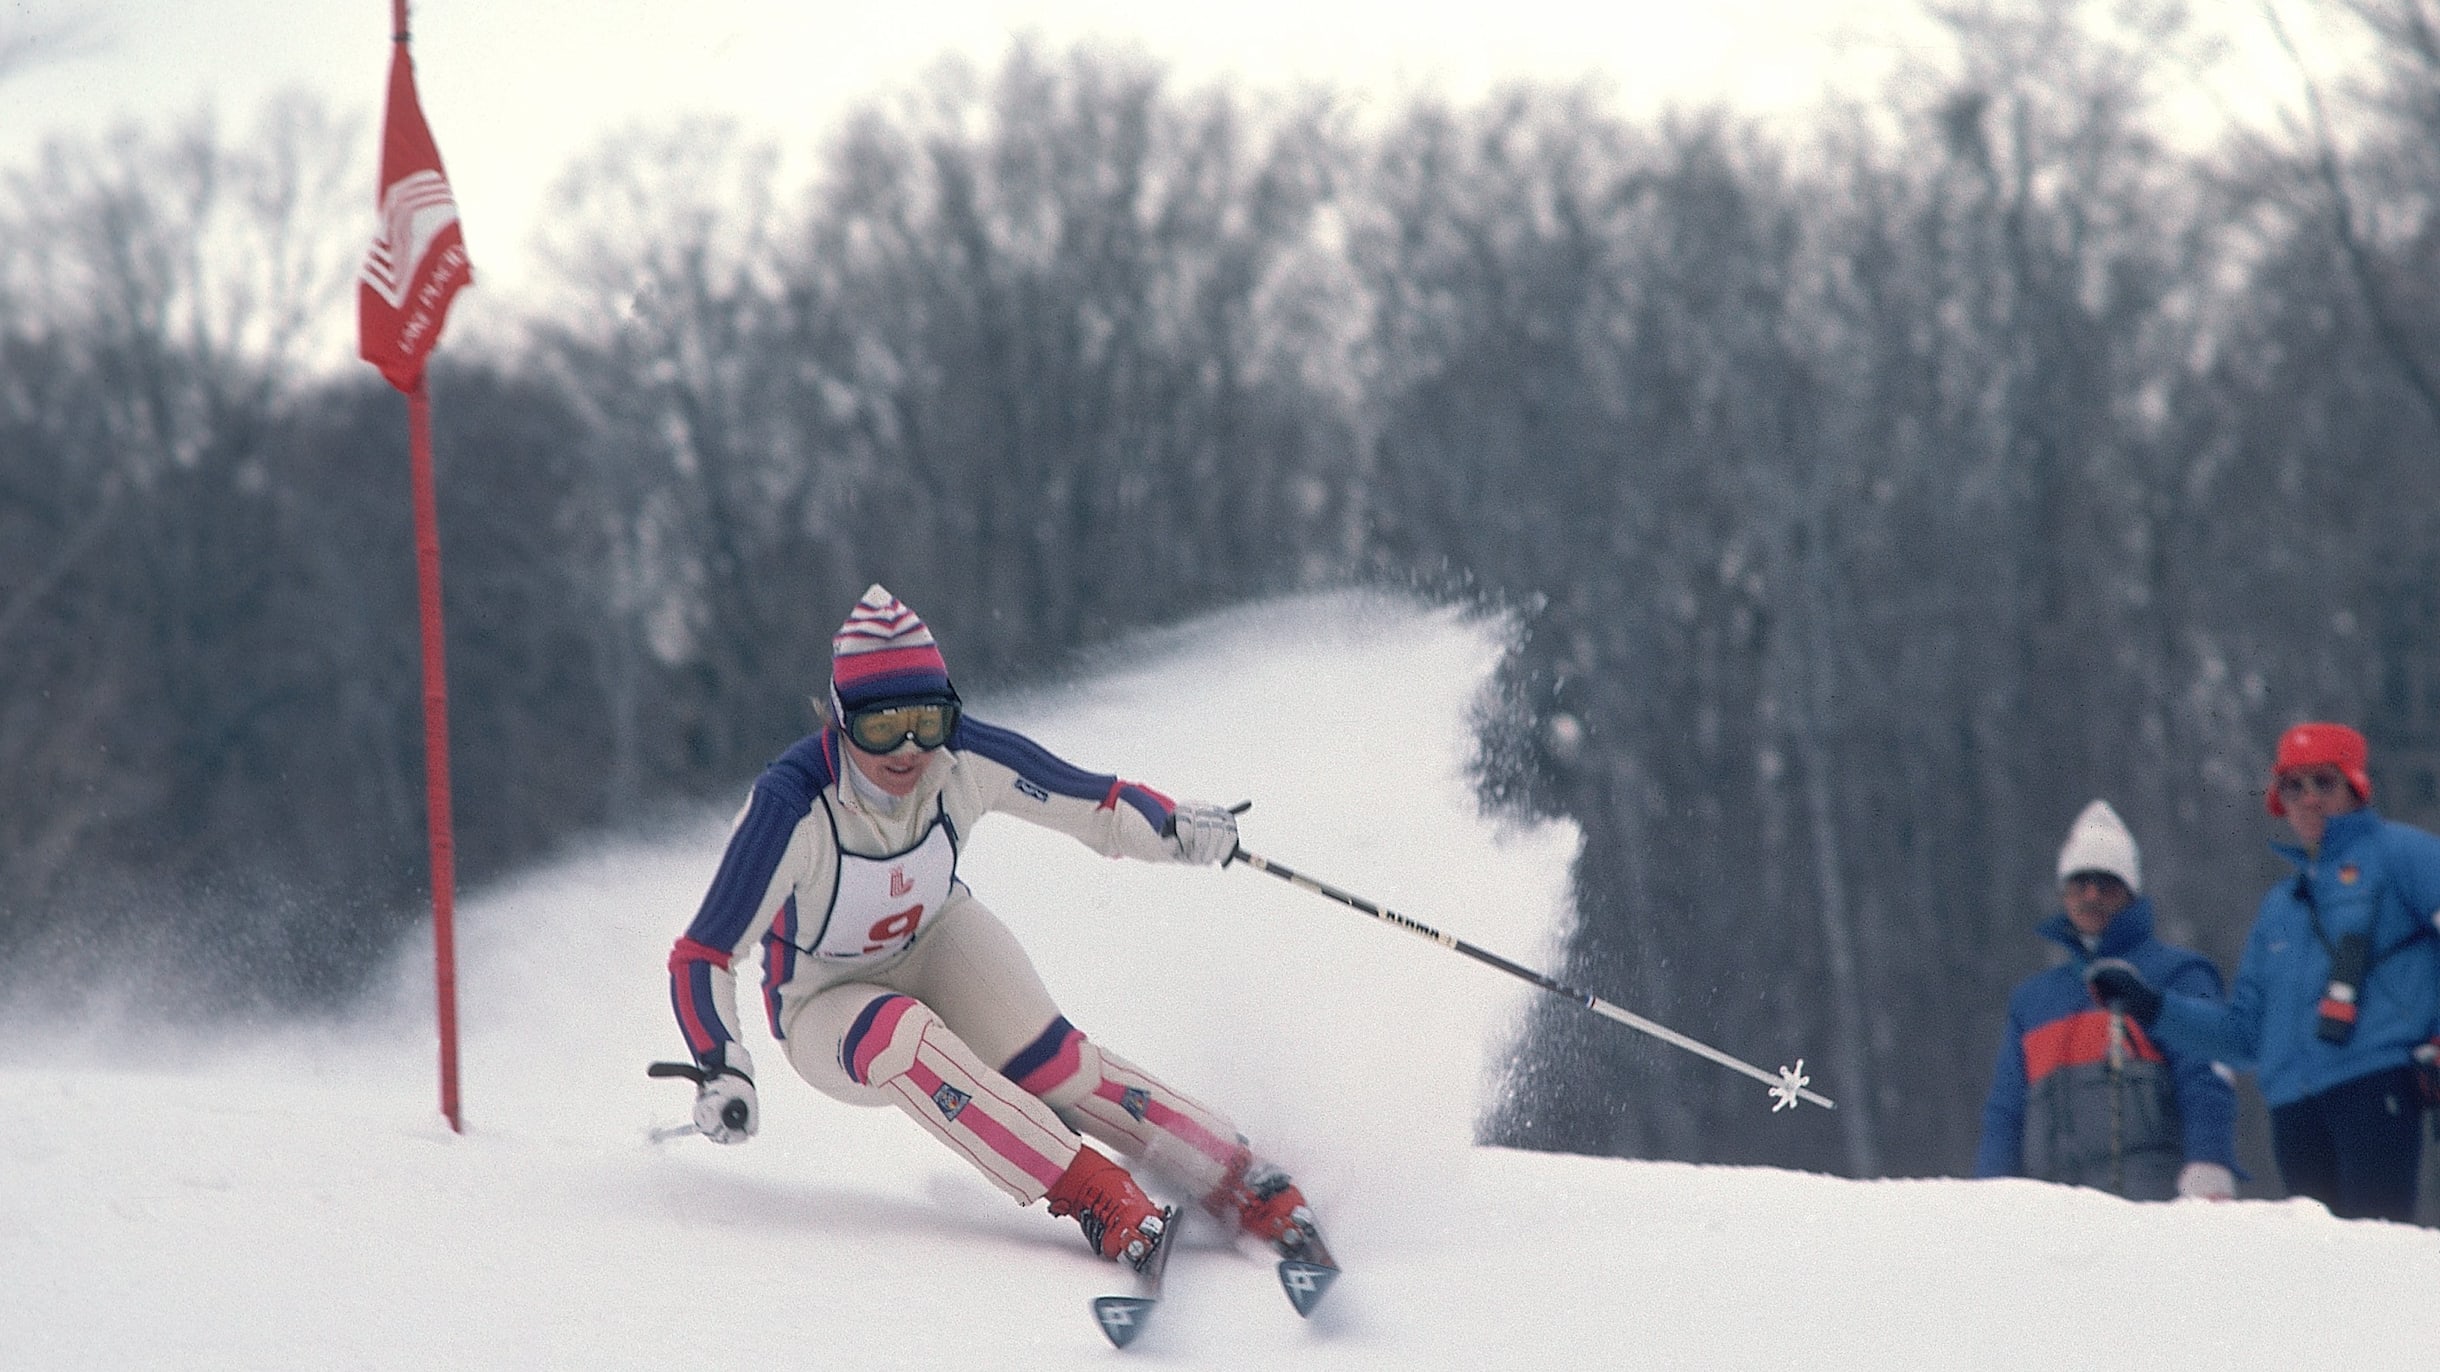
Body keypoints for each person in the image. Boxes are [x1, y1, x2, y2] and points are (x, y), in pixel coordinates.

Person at [664, 585, 1316, 1271]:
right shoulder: (791, 805)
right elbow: (703, 954)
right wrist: (722, 1065)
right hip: (823, 1000)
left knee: (1054, 1065)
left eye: (928, 718)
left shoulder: (963, 758)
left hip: (936, 938)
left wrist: (1177, 828)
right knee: (905, 1039)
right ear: (840, 721)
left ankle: (1240, 1177)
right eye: (883, 727)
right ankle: (1100, 1196)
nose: (910, 748)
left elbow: (1097, 802)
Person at [2090, 722, 2440, 1222]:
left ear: (2355, 785)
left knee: (2374, 1262)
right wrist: (2151, 1004)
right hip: (2293, 1110)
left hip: (2373, 1086)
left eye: (2324, 781)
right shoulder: (2281, 906)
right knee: (2318, 1277)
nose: (2308, 799)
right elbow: (2245, 1037)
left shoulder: (2404, 855)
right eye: (2293, 786)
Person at [1975, 800, 2238, 1200]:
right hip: (2050, 1215)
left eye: (2107, 883)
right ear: (2064, 892)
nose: (2092, 894)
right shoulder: (2033, 1001)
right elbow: (2005, 1115)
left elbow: (2206, 1074)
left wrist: (2210, 1161)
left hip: (2150, 1205)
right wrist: (1989, 1195)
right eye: (2080, 882)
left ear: (2130, 892)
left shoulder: (2178, 975)